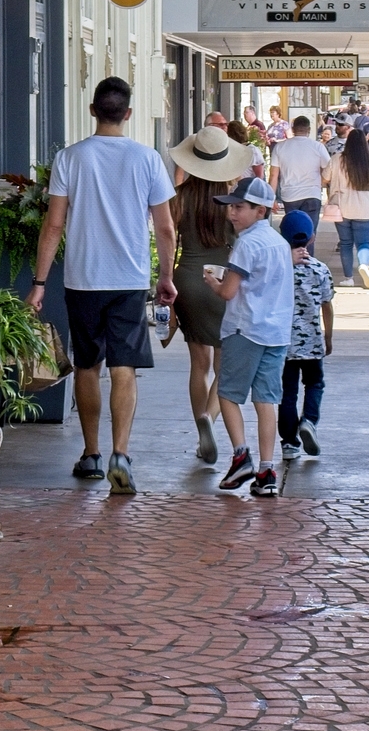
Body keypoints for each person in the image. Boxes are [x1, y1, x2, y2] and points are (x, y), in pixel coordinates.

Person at [29, 76, 177, 496]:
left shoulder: (71, 159)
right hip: (129, 279)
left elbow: (54, 224)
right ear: (127, 113)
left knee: (87, 365)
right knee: (124, 367)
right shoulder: (147, 159)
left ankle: (91, 454)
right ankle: (121, 454)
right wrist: (165, 276)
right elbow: (165, 227)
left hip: (83, 279)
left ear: (93, 110)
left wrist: (39, 282)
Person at [202, 175, 294, 499]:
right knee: (266, 400)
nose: (232, 213)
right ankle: (267, 469)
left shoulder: (247, 244)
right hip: (276, 332)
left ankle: (241, 455)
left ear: (261, 210)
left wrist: (213, 282)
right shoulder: (279, 243)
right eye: (232, 207)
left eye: (240, 207)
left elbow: (229, 292)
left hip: (245, 328)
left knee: (227, 393)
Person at [167, 125, 252, 466]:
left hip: (187, 279)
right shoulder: (234, 201)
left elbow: (168, 241)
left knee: (197, 363)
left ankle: (202, 435)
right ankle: (210, 419)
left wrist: (164, 284)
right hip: (224, 280)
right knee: (224, 363)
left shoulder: (178, 197)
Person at [276, 210, 333, 460]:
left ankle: (289, 442)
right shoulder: (320, 270)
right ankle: (309, 420)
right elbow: (327, 305)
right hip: (312, 343)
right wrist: (328, 336)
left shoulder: (279, 270)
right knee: (315, 384)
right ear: (312, 238)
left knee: (287, 393)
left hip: (284, 344)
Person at [329, 128, 369, 289]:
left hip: (342, 208)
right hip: (365, 209)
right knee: (363, 243)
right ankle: (364, 265)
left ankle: (348, 278)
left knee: (346, 243)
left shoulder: (337, 159)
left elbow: (325, 177)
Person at [269, 115, 330, 232]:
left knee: (293, 233)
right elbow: (329, 169)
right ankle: (308, 250)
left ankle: (294, 250)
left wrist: (272, 198)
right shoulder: (318, 147)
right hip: (312, 194)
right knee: (309, 233)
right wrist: (322, 182)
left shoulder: (280, 147)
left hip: (290, 196)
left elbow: (273, 175)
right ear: (309, 130)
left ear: (292, 129)